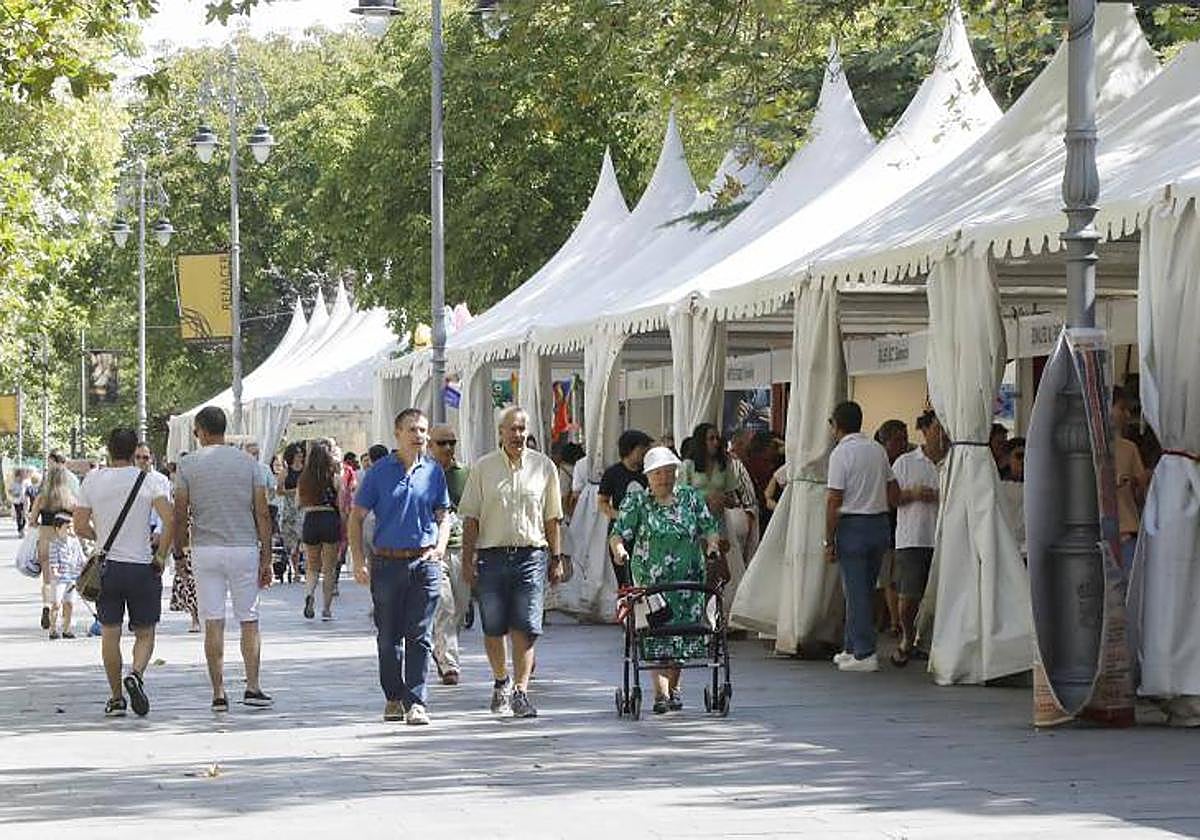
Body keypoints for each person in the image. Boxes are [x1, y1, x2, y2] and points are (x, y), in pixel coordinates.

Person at [460, 406, 568, 719]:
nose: (517, 435)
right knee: (493, 626)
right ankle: (501, 681)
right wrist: (467, 560)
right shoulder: (483, 468)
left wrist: (556, 558)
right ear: (501, 432)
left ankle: (521, 691)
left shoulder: (543, 467)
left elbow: (552, 518)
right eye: (512, 429)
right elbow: (471, 518)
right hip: (492, 556)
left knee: (526, 625)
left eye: (522, 429)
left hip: (530, 556)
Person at [349, 409, 450, 725]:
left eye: (422, 430)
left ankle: (416, 701)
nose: (419, 435)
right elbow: (356, 517)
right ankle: (393, 696)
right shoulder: (379, 472)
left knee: (420, 634)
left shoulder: (433, 471)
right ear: (397, 433)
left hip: (424, 561)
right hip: (387, 563)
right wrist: (358, 560)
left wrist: (440, 548)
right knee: (389, 636)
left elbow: (443, 514)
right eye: (412, 429)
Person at [173, 406, 274, 712]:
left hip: (205, 549)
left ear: (201, 431)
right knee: (249, 619)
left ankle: (218, 692)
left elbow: (180, 513)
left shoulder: (188, 465)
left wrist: (179, 551)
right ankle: (252, 686)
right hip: (243, 546)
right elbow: (262, 512)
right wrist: (267, 555)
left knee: (213, 620)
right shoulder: (249, 463)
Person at [610, 446, 721, 714]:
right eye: (657, 474)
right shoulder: (638, 502)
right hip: (651, 582)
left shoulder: (690, 498)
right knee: (655, 633)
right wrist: (619, 550)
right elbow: (618, 533)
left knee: (681, 633)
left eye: (669, 472)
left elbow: (709, 527)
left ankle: (675, 688)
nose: (664, 478)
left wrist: (712, 545)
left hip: (688, 580)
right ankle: (661, 694)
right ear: (648, 476)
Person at [74, 428, 174, 717]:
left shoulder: (92, 480)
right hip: (142, 567)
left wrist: (101, 539)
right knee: (145, 632)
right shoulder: (148, 480)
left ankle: (116, 698)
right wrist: (161, 555)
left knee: (110, 634)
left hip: (107, 568)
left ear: (108, 449)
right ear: (134, 452)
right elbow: (170, 521)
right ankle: (136, 674)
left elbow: (79, 525)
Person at [825, 401, 899, 672]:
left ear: (837, 425)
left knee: (855, 592)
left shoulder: (840, 454)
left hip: (853, 525)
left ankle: (865, 653)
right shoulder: (877, 450)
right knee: (863, 589)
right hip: (879, 524)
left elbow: (834, 499)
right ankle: (851, 646)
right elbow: (893, 489)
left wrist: (828, 539)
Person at [889, 411, 945, 666]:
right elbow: (891, 498)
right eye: (937, 428)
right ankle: (907, 635)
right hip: (913, 537)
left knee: (942, 595)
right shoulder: (905, 462)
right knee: (908, 596)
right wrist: (912, 494)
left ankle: (931, 641)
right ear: (924, 430)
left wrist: (939, 497)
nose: (942, 434)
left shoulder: (955, 461)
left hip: (943, 538)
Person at [428, 423, 471, 685]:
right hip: (433, 550)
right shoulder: (422, 473)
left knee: (460, 608)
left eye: (452, 443)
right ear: (430, 445)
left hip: (461, 548)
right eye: (442, 443)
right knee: (445, 605)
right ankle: (449, 663)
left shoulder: (465, 474)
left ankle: (441, 648)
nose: (447, 448)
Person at [598, 430, 653, 587]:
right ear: (630, 449)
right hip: (622, 532)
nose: (645, 453)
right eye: (642, 449)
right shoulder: (613, 473)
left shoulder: (648, 473)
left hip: (645, 531)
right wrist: (620, 516)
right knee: (625, 578)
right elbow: (602, 502)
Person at [296, 441, 342, 621]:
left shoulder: (303, 479)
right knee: (329, 568)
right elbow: (340, 503)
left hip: (311, 519)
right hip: (329, 518)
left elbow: (298, 503)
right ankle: (326, 609)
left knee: (312, 565)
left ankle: (309, 594)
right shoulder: (334, 477)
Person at [29, 462, 77, 632]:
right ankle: (64, 615)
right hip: (64, 544)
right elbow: (76, 521)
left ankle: (46, 605)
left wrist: (40, 525)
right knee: (65, 579)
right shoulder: (70, 500)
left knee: (48, 579)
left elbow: (32, 521)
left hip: (45, 539)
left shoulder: (42, 498)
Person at [874, 419, 910, 638]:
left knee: (895, 576)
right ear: (885, 442)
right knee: (887, 577)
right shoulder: (880, 464)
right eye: (898, 440)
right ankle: (892, 621)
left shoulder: (909, 461)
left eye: (905, 439)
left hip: (903, 525)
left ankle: (893, 620)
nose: (903, 444)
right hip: (886, 524)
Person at [1112, 387, 1148, 573]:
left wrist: (1139, 483)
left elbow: (1140, 496)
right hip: (1098, 537)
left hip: (1127, 534)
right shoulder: (1085, 449)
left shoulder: (1129, 448)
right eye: (1122, 408)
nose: (1126, 415)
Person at [46, 513, 86, 639]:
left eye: (71, 527)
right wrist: (56, 572)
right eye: (67, 527)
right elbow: (53, 563)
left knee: (69, 604)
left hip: (73, 578)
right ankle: (53, 629)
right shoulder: (54, 544)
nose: (70, 530)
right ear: (58, 529)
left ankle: (66, 629)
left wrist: (84, 570)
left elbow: (82, 559)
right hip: (59, 580)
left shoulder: (75, 542)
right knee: (56, 603)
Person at [276, 442, 306, 583]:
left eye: (301, 454)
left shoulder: (306, 471)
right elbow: (279, 491)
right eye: (297, 454)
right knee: (292, 541)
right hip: (289, 508)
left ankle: (305, 567)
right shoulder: (285, 472)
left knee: (303, 537)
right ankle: (295, 570)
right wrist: (294, 491)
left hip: (303, 507)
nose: (300, 456)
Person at [8, 467, 29, 537]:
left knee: (24, 516)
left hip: (24, 501)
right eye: (20, 476)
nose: (21, 477)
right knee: (19, 515)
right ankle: (20, 530)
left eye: (23, 475)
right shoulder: (14, 483)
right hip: (17, 502)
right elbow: (10, 491)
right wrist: (15, 494)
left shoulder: (26, 483)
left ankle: (22, 528)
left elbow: (29, 490)